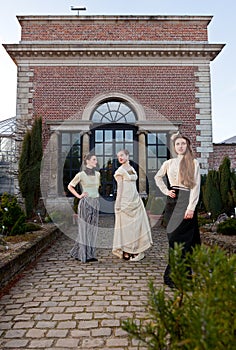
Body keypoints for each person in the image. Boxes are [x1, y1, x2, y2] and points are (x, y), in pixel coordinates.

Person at [154, 133, 201, 288]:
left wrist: (191, 208)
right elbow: (157, 178)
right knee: (173, 240)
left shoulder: (193, 163)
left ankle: (184, 277)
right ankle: (171, 276)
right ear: (174, 147)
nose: (180, 146)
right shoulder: (169, 163)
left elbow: (195, 187)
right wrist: (166, 191)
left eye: (183, 144)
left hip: (187, 201)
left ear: (187, 145)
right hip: (172, 203)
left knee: (186, 242)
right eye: (177, 144)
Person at [112, 149, 153, 261]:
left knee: (137, 226)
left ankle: (137, 249)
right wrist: (118, 203)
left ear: (127, 156)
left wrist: (138, 196)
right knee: (126, 228)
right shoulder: (119, 171)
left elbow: (134, 185)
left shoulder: (132, 169)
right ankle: (126, 250)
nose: (120, 157)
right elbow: (119, 188)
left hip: (135, 199)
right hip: (125, 201)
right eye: (118, 156)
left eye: (122, 155)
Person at [68, 153, 100, 263]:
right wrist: (79, 196)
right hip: (85, 203)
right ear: (87, 161)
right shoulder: (80, 175)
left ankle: (87, 253)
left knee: (92, 229)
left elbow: (96, 189)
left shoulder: (98, 174)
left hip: (95, 202)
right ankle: (83, 255)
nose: (96, 161)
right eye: (94, 159)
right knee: (84, 229)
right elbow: (70, 186)